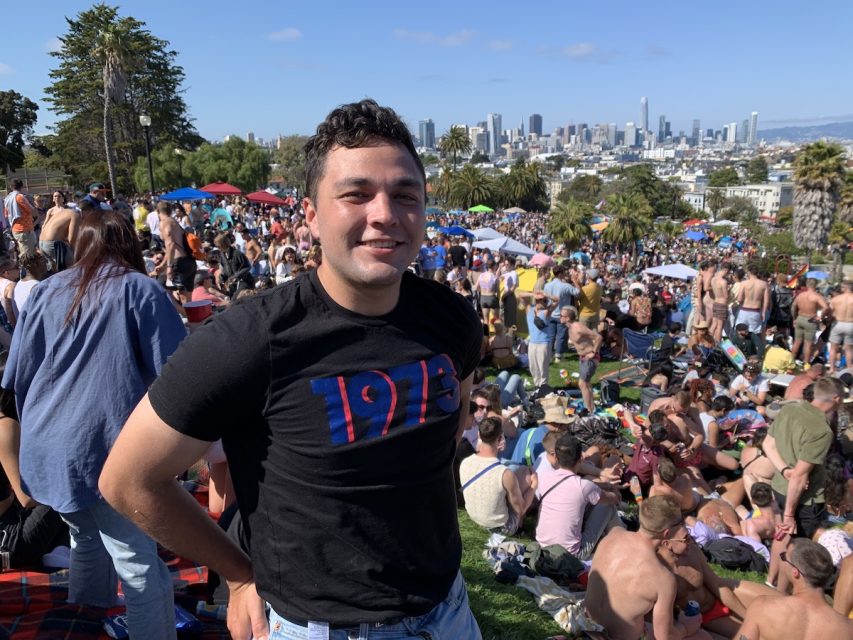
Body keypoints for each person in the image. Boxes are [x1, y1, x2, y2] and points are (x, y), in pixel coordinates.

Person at [99, 99, 484, 639]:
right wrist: (236, 575)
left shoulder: (453, 319)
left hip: (448, 611)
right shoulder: (251, 337)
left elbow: (444, 443)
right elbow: (128, 479)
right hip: (321, 626)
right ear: (310, 214)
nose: (384, 214)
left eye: (405, 195)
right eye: (355, 194)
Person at [2, 211, 186, 638]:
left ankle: (85, 620)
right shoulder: (141, 290)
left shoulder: (47, 290)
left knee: (86, 537)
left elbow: (17, 378)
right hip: (106, 449)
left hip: (48, 445)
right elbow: (176, 379)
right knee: (139, 563)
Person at [585, 495, 710, 640]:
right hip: (620, 637)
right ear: (667, 533)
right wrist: (685, 628)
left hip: (590, 628)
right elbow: (665, 637)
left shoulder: (612, 536)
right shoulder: (662, 578)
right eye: (680, 523)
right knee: (702, 636)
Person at [764, 376, 839, 539]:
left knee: (783, 537)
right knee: (801, 547)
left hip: (779, 487)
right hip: (803, 498)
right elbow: (799, 476)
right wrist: (790, 515)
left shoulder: (789, 409)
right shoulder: (822, 431)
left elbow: (768, 444)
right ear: (837, 399)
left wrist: (784, 470)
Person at [737, 538, 853, 639]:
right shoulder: (848, 629)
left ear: (795, 572)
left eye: (783, 557)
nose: (782, 559)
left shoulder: (763, 607)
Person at [536, 433, 620, 560]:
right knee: (607, 506)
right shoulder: (583, 486)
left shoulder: (544, 477)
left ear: (556, 457)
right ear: (580, 459)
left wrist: (606, 486)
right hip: (572, 555)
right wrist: (614, 489)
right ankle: (621, 539)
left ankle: (616, 538)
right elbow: (612, 499)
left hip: (542, 547)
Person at [459, 416, 537, 535]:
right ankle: (520, 527)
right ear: (500, 439)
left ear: (479, 435)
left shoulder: (465, 462)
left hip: (475, 518)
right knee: (526, 474)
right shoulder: (505, 474)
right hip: (501, 527)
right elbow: (520, 510)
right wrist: (533, 487)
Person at [560, 306, 602, 411]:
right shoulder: (570, 328)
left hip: (590, 357)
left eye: (561, 316)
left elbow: (598, 337)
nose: (559, 317)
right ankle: (591, 407)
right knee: (586, 383)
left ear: (568, 318)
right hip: (583, 357)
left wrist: (593, 352)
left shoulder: (578, 328)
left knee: (582, 383)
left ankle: (588, 410)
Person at [735, 264, 770, 357]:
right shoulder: (763, 284)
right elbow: (766, 300)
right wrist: (763, 312)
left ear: (749, 272)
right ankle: (755, 354)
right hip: (755, 310)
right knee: (755, 334)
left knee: (740, 332)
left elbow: (739, 298)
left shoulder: (744, 283)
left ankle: (739, 353)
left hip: (744, 310)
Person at [791, 278, 828, 366]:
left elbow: (793, 307)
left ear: (807, 285)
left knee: (797, 342)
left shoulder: (800, 295)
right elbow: (826, 307)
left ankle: (791, 361)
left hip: (800, 317)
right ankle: (806, 364)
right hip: (810, 319)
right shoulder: (816, 296)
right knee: (808, 343)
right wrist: (820, 316)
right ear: (815, 285)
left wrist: (794, 318)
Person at [39, 191, 79, 272]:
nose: (57, 198)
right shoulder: (72, 214)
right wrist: (74, 251)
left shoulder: (64, 210)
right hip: (52, 243)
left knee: (54, 267)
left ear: (63, 199)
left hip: (42, 243)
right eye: (55, 196)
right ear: (53, 199)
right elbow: (72, 238)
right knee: (71, 264)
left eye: (59, 196)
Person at [2, 179, 36, 257]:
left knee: (23, 253)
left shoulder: (7, 198)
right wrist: (31, 202)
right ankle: (25, 269)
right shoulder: (20, 197)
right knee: (28, 256)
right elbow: (33, 212)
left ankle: (23, 268)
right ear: (22, 186)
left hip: (16, 229)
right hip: (25, 230)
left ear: (11, 187)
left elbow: (6, 215)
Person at [828, 280, 853, 373]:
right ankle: (849, 368)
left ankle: (832, 368)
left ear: (846, 288)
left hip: (838, 323)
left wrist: (829, 319)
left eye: (842, 287)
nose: (841, 289)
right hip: (850, 324)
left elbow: (830, 312)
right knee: (849, 349)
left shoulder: (836, 299)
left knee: (833, 348)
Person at [709, 262, 730, 343]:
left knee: (714, 324)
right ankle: (717, 344)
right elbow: (726, 296)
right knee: (719, 327)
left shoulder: (713, 279)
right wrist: (729, 290)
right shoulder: (723, 281)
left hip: (716, 302)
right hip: (722, 304)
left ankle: (707, 341)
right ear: (726, 270)